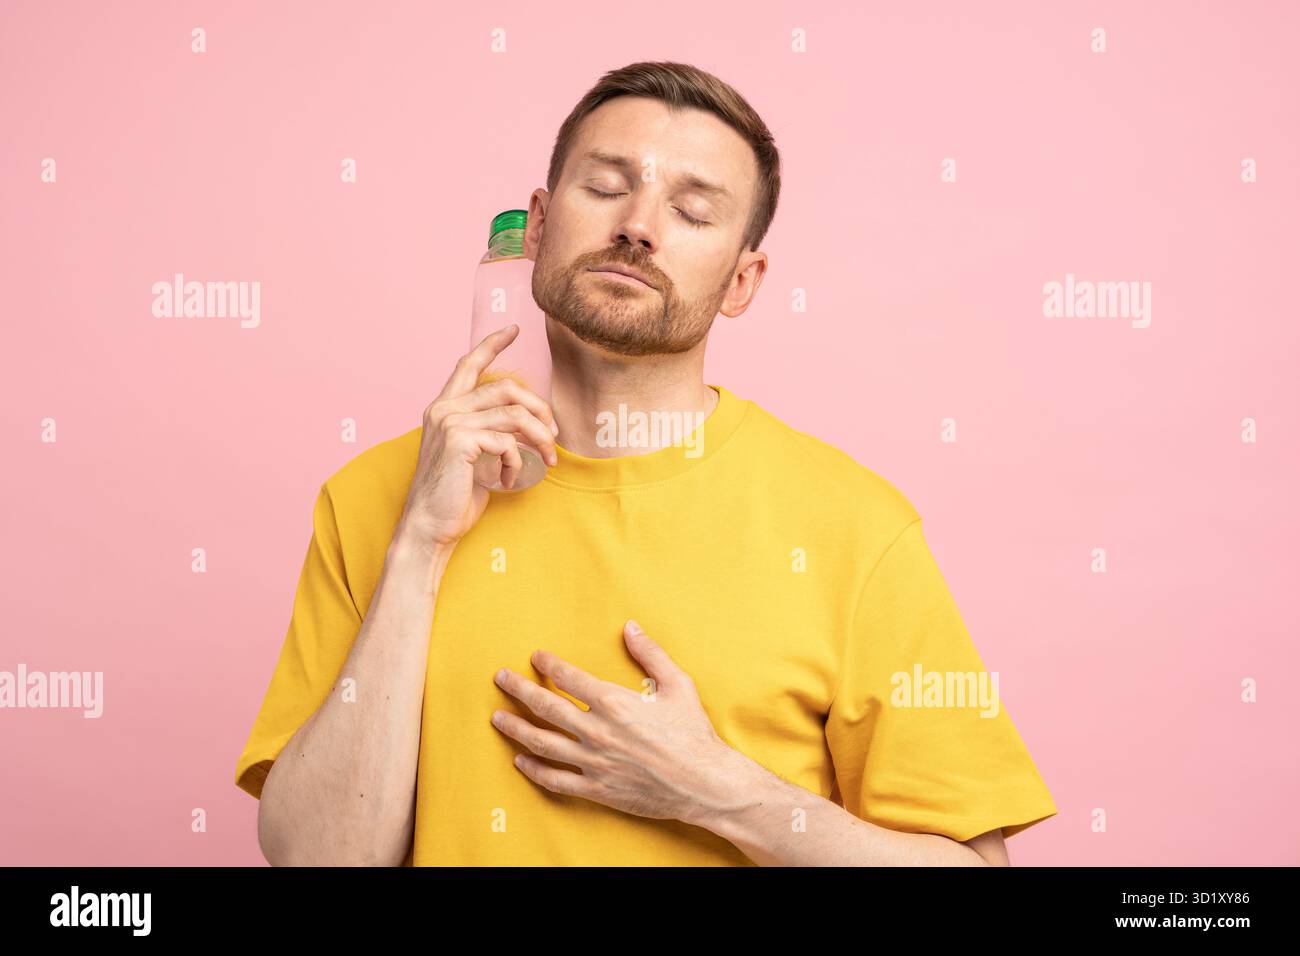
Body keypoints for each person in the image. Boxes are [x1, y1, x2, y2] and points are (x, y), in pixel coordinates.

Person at [234, 60, 1057, 866]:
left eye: (692, 210)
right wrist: (418, 547)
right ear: (541, 223)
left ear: (742, 280)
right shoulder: (376, 498)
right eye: (605, 186)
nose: (638, 225)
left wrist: (718, 792)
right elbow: (317, 858)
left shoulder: (855, 526)